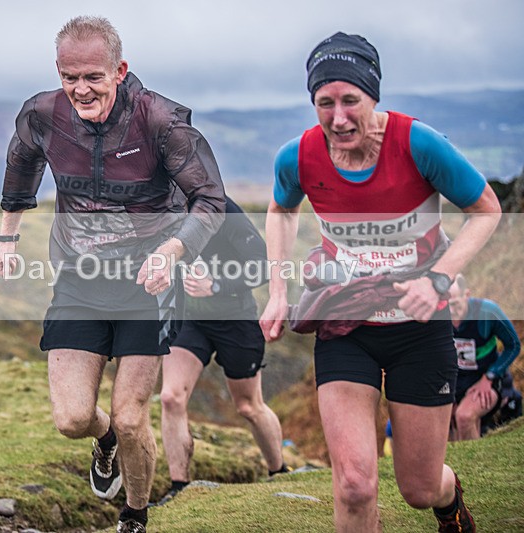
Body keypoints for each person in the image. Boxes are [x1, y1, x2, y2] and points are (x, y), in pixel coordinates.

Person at [259, 32, 501, 532]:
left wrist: (438, 278)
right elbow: (281, 209)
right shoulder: (299, 156)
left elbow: (487, 210)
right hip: (346, 328)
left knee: (419, 486)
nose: (338, 117)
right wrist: (278, 292)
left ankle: (449, 499)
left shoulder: (419, 144)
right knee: (354, 484)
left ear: (374, 97)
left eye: (351, 101)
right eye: (325, 103)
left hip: (418, 328)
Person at [0, 16, 226, 533]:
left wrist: (172, 251)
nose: (80, 89)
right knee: (73, 418)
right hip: (80, 279)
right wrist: (7, 239)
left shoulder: (161, 120)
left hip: (149, 281)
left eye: (93, 76)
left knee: (129, 414)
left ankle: (135, 515)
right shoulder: (42, 114)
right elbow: (20, 169)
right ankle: (104, 445)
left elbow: (209, 199)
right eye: (68, 76)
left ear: (119, 70)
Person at [158, 196, 288, 505]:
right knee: (170, 397)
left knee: (248, 406)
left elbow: (263, 266)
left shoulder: (224, 210)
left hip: (235, 320)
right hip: (189, 320)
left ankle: (279, 471)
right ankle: (180, 486)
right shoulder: (158, 207)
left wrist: (216, 285)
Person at [448, 273, 521, 440]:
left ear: (466, 295)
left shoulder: (487, 312)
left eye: (455, 304)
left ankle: (472, 463)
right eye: (446, 305)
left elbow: (513, 345)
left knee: (464, 417)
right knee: (443, 421)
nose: (451, 311)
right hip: (454, 380)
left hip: (485, 379)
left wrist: (490, 377)